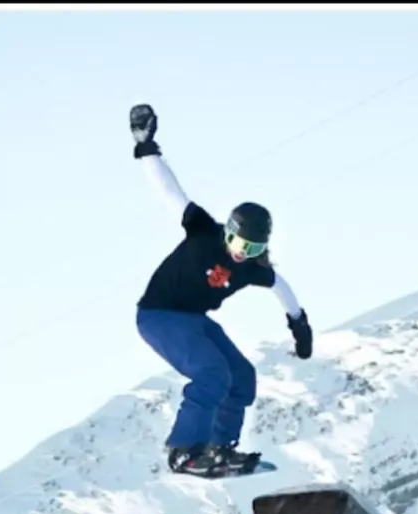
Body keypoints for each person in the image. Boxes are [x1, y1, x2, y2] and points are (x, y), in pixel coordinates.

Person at [129, 103, 314, 479]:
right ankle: (184, 451)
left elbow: (281, 286)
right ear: (227, 231)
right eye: (239, 244)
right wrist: (146, 146)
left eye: (253, 250)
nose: (241, 254)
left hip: (194, 320)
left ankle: (218, 448)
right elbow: (170, 193)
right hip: (159, 315)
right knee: (212, 373)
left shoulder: (250, 268)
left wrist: (299, 324)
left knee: (241, 376)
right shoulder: (202, 231)